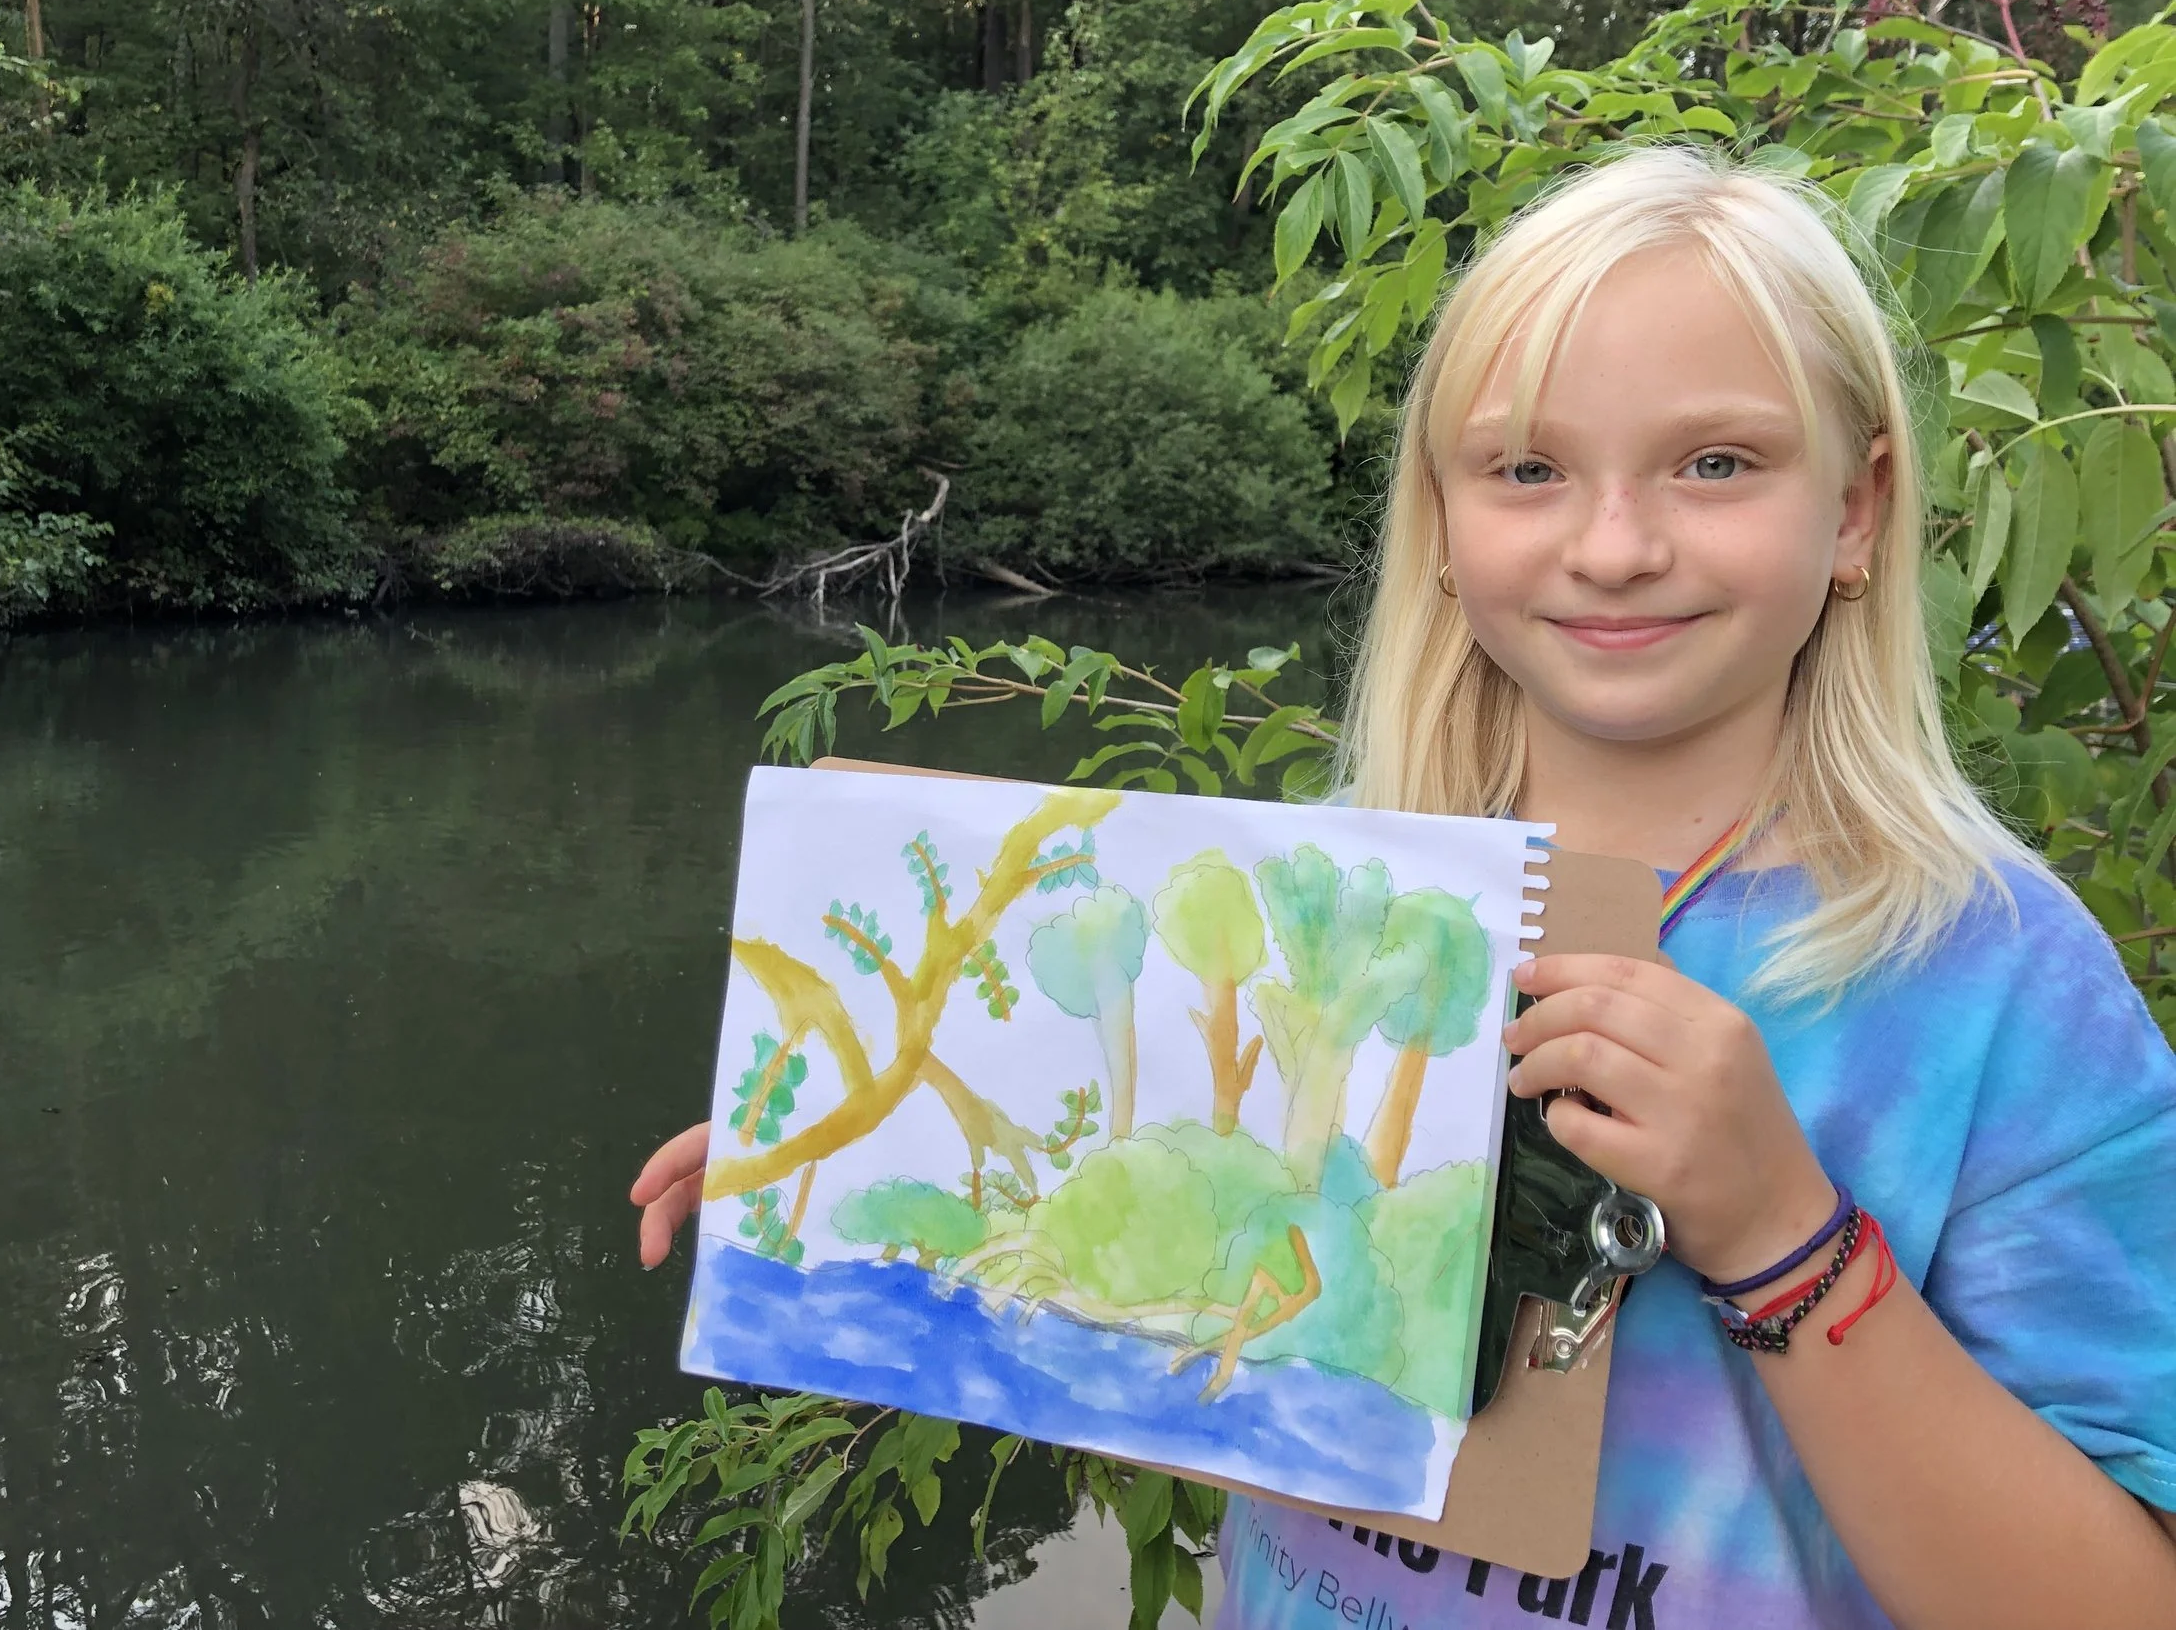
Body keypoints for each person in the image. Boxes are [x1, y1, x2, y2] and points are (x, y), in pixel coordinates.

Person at [629, 150, 2176, 1628]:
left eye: (1718, 463)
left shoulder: (1999, 984)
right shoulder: (1335, 900)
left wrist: (1785, 1230)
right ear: (1441, 521)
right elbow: (1199, 1296)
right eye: (1527, 468)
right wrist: (882, 1165)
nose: (1615, 545)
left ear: (1855, 509)